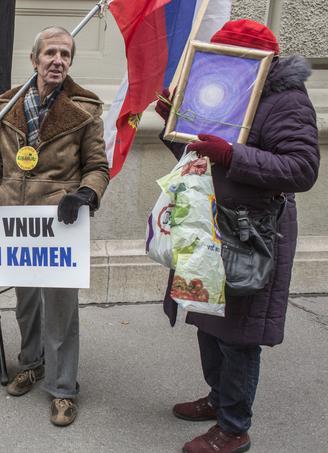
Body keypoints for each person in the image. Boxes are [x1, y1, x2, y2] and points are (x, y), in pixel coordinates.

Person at [155, 20, 320, 453]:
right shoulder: (229, 88)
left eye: (226, 58)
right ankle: (217, 398)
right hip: (212, 223)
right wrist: (177, 126)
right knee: (207, 321)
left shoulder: (286, 100)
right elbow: (202, 157)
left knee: (239, 333)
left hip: (255, 233)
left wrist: (231, 153)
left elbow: (301, 169)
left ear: (259, 63)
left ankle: (234, 427)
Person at [0, 26, 109, 426]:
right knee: (26, 306)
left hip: (59, 221)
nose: (58, 60)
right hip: (15, 222)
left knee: (60, 311)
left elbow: (97, 168)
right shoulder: (7, 104)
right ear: (34, 59)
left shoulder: (86, 108)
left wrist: (86, 195)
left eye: (66, 55)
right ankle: (32, 363)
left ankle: (63, 389)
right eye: (51, 53)